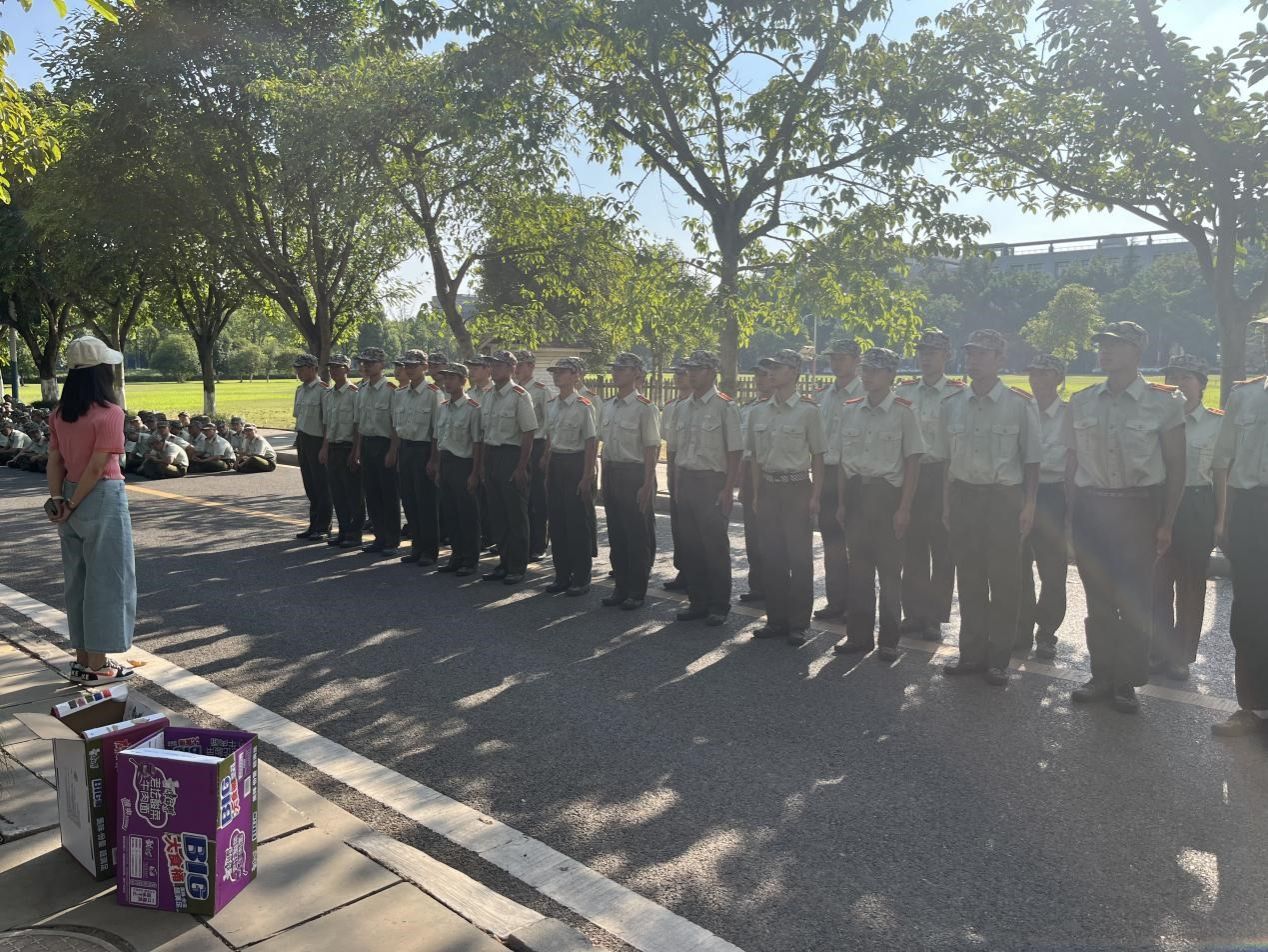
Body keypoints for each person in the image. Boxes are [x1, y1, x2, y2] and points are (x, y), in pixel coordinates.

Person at [1065, 321, 1185, 714]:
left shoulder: (1163, 403)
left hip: (1137, 509)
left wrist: (1166, 522)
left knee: (1134, 598)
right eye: (1102, 344)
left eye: (1115, 345)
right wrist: (1071, 516)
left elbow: (1176, 467)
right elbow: (1071, 463)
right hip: (1092, 508)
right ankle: (1101, 675)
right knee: (1098, 599)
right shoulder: (1082, 401)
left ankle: (1126, 682)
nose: (1105, 351)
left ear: (1136, 351)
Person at [938, 329, 1042, 689]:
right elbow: (946, 461)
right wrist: (947, 504)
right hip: (964, 497)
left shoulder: (1019, 404)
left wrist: (1029, 504)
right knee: (968, 578)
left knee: (1004, 581)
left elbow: (1032, 461)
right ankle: (970, 654)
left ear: (1000, 360)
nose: (974, 360)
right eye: (971, 353)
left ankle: (998, 660)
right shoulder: (952, 404)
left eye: (983, 354)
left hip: (1003, 500)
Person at [44, 336, 136, 685]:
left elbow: (55, 460)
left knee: (78, 579)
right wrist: (73, 502)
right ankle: (99, 665)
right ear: (101, 372)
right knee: (108, 580)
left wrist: (59, 499)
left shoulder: (59, 414)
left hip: (68, 492)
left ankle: (82, 659)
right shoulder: (110, 413)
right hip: (101, 497)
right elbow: (98, 467)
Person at [832, 348, 924, 660]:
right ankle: (858, 636)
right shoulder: (850, 410)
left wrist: (905, 508)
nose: (868, 376)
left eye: (875, 370)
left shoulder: (903, 412)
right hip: (857, 494)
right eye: (865, 369)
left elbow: (913, 463)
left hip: (888, 498)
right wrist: (842, 503)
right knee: (858, 570)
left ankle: (889, 640)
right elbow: (844, 462)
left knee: (889, 573)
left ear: (891, 375)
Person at [1211, 316, 1268, 736]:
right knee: (1249, 609)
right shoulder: (1245, 396)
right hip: (1251, 510)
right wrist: (1223, 518)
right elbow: (1223, 462)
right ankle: (1253, 707)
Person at [746, 349, 826, 644]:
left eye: (778, 368)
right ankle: (776, 619)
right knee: (772, 557)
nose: (771, 373)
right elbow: (755, 458)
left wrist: (815, 496)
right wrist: (756, 493)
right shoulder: (759, 411)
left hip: (796, 488)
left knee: (799, 558)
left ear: (794, 373)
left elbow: (818, 456)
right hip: (769, 487)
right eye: (770, 368)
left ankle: (798, 623)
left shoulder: (808, 411)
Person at [898, 328, 963, 641]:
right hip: (911, 473)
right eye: (922, 352)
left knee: (942, 549)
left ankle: (934, 617)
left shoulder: (958, 394)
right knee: (912, 548)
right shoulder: (905, 391)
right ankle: (913, 613)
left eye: (933, 352)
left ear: (947, 356)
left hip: (942, 475)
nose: (926, 358)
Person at [671, 349, 743, 626]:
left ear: (712, 372)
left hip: (712, 482)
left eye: (697, 369)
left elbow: (734, 451)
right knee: (691, 547)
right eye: (689, 368)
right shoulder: (683, 406)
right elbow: (678, 450)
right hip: (688, 480)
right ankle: (697, 601)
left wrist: (728, 489)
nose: (691, 374)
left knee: (714, 547)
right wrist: (678, 484)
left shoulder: (725, 406)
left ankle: (718, 605)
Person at [1015, 354, 1070, 662]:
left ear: (1059, 378)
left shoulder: (1069, 414)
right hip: (1021, 491)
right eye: (1033, 373)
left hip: (1053, 494)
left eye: (1045, 373)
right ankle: (1021, 629)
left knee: (1053, 570)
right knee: (1018, 564)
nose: (1037, 379)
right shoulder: (1020, 409)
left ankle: (1047, 632)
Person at [599, 353, 661, 610]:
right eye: (615, 368)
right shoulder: (609, 405)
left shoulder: (645, 407)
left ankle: (636, 591)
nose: (616, 372)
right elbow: (604, 445)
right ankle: (621, 587)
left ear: (636, 373)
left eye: (622, 369)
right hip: (612, 471)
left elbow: (651, 448)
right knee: (616, 534)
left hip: (634, 473)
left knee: (636, 535)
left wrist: (647, 484)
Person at [813, 338, 863, 621]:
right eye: (833, 358)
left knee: (856, 545)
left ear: (856, 361)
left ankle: (856, 605)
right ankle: (836, 601)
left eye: (842, 358)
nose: (836, 363)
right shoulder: (823, 396)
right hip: (827, 473)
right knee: (831, 542)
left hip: (854, 476)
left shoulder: (865, 394)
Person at [480, 350, 538, 584]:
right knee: (498, 514)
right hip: (493, 455)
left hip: (512, 456)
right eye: (492, 365)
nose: (494, 369)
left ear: (512, 369)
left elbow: (528, 433)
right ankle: (504, 562)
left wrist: (521, 467)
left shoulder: (519, 395)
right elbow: (486, 433)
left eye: (499, 365)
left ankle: (517, 566)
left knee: (515, 515)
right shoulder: (488, 395)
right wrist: (484, 465)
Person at [542, 357, 598, 595]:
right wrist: (547, 466)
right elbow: (550, 438)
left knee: (577, 524)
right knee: (557, 522)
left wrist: (587, 476)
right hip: (557, 463)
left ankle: (581, 578)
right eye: (555, 372)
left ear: (575, 376)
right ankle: (562, 575)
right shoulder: (551, 405)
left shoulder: (584, 405)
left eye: (562, 372)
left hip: (576, 463)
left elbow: (591, 442)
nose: (557, 376)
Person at [388, 349, 441, 565]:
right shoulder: (400, 394)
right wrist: (395, 451)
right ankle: (417, 547)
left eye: (413, 365)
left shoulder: (433, 393)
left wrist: (434, 460)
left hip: (424, 450)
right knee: (409, 500)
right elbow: (396, 426)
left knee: (426, 502)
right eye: (406, 365)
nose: (409, 369)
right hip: (406, 449)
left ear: (425, 367)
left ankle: (430, 550)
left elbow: (437, 430)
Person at [432, 362, 484, 576]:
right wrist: (437, 467)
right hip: (446, 463)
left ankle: (470, 560)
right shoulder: (443, 407)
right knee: (451, 512)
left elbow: (477, 443)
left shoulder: (473, 408)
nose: (447, 382)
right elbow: (438, 439)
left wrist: (475, 473)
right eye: (445, 378)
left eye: (452, 378)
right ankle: (456, 556)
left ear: (463, 381)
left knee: (467, 514)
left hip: (464, 464)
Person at [352, 346, 401, 556]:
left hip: (384, 444)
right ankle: (379, 537)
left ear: (382, 365)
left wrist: (393, 450)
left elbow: (396, 424)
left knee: (388, 494)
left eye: (371, 362)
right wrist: (358, 449)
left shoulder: (391, 390)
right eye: (364, 362)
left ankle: (392, 539)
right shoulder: (362, 389)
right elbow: (359, 423)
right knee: (371, 494)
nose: (366, 366)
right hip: (367, 444)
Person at [319, 354, 364, 548]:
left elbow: (357, 425)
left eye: (338, 367)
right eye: (331, 367)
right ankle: (344, 530)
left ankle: (355, 534)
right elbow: (327, 424)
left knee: (353, 493)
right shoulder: (328, 394)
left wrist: (356, 452)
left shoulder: (354, 393)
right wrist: (324, 447)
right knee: (337, 493)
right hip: (333, 447)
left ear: (347, 369)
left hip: (348, 447)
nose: (334, 371)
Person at [738, 364, 774, 603]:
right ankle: (757, 585)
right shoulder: (748, 409)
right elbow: (744, 449)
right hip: (750, 473)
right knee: (752, 534)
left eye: (765, 375)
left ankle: (775, 585)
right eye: (757, 375)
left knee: (773, 536)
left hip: (772, 474)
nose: (759, 380)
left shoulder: (783, 409)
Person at [515, 350, 552, 561]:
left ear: (531, 366)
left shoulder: (541, 391)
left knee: (537, 498)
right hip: (517, 447)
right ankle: (522, 541)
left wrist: (546, 453)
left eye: (521, 365)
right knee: (520, 497)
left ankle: (538, 544)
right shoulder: (514, 391)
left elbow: (549, 423)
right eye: (516, 365)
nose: (517, 369)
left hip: (537, 445)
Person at [292, 354, 332, 541]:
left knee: (322, 485)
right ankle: (314, 523)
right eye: (297, 369)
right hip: (303, 439)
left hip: (317, 440)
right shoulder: (299, 390)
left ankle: (323, 526)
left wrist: (325, 447)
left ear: (313, 368)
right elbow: (298, 417)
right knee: (310, 485)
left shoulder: (323, 390)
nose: (298, 372)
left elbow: (327, 423)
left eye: (302, 368)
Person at [661, 364, 692, 591]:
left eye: (683, 373)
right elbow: (668, 442)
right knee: (678, 524)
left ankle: (697, 573)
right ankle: (683, 569)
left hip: (693, 465)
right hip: (675, 462)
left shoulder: (699, 405)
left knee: (695, 526)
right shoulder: (671, 406)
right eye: (677, 374)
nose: (678, 377)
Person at [470, 355, 497, 551]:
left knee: (491, 498)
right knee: (474, 497)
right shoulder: (469, 394)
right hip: (470, 450)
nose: (472, 371)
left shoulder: (495, 393)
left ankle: (491, 535)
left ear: (488, 369)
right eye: (471, 367)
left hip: (490, 449)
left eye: (476, 367)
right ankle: (479, 534)